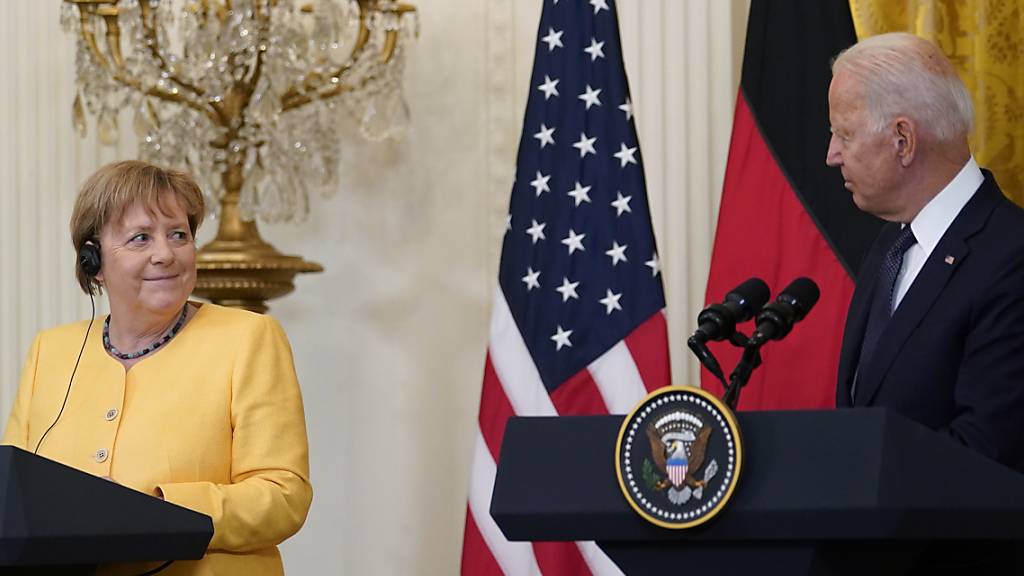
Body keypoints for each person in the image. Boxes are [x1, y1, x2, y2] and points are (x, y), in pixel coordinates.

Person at [2, 160, 312, 575]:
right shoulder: (50, 351)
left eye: (179, 235)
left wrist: (154, 511)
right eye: (141, 238)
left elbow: (283, 495)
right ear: (92, 260)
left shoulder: (249, 338)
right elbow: (13, 500)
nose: (165, 254)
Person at [828, 32, 1024, 471]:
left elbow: (987, 450)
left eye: (844, 134)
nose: (832, 154)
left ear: (903, 140)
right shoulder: (890, 244)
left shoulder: (1012, 257)